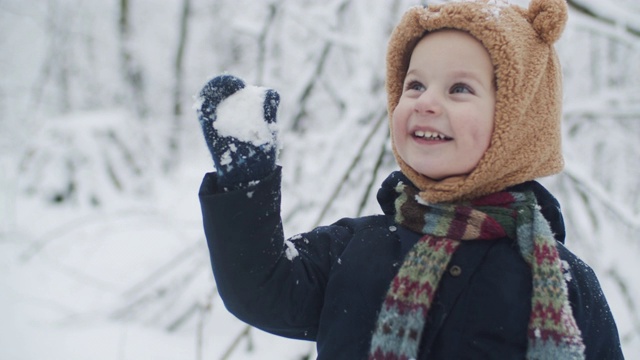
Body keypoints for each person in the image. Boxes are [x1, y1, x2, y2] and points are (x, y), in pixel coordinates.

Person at [195, 0, 624, 358]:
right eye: (415, 85)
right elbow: (263, 288)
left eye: (459, 89)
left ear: (520, 120)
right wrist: (245, 186)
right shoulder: (355, 249)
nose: (426, 103)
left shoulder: (563, 284)